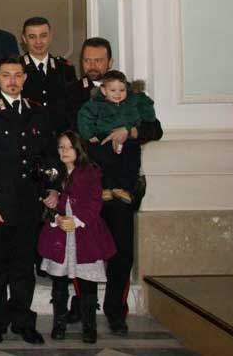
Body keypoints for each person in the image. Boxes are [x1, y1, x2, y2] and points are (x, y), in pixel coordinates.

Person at [63, 36, 162, 336]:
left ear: (110, 63)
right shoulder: (71, 94)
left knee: (121, 254)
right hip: (87, 187)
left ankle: (115, 311)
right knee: (84, 252)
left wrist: (129, 131)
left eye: (99, 60)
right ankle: (82, 303)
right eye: (88, 60)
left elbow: (154, 128)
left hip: (121, 188)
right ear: (82, 62)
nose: (93, 65)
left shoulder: (129, 97)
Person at [0, 56, 59, 346]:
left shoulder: (38, 112)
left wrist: (52, 187)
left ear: (25, 78)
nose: (12, 80)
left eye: (18, 75)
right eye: (6, 75)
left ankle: (23, 321)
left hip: (29, 202)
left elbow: (50, 155)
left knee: (24, 266)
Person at [38, 131, 116, 344]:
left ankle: (89, 326)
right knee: (60, 283)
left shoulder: (90, 172)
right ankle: (59, 324)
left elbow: (94, 203)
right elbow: (46, 200)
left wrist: (78, 220)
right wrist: (55, 215)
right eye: (61, 147)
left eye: (69, 147)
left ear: (79, 150)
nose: (64, 151)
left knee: (88, 283)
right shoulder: (54, 174)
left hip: (85, 234)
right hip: (59, 234)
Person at [77, 70, 156, 204]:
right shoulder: (97, 104)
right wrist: (89, 134)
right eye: (113, 90)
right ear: (103, 90)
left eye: (122, 90)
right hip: (105, 137)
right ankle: (105, 187)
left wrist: (146, 112)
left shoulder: (133, 99)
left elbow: (148, 108)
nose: (118, 94)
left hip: (129, 140)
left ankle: (125, 188)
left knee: (132, 161)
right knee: (103, 161)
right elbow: (84, 116)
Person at [20, 16, 75, 132]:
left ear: (50, 37)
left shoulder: (65, 68)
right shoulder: (16, 69)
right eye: (32, 37)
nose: (38, 42)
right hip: (28, 139)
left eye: (43, 36)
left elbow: (72, 107)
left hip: (58, 139)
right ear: (24, 39)